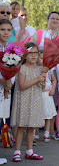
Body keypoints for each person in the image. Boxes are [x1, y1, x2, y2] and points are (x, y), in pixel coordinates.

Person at [11, 42, 46, 162]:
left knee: (31, 126)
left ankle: (29, 151)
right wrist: (37, 79)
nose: (33, 55)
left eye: (36, 53)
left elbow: (42, 87)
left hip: (35, 100)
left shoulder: (39, 69)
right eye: (30, 53)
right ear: (25, 55)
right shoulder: (21, 68)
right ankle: (17, 151)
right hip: (24, 100)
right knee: (21, 126)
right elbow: (22, 85)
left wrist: (42, 81)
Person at [0, 19, 16, 165]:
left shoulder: (10, 49)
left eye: (8, 30)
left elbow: (13, 67)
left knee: (1, 119)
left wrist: (10, 81)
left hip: (5, 89)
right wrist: (3, 81)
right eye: (2, 29)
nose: (5, 32)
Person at [38, 50, 57, 143]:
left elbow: (54, 80)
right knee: (37, 115)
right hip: (38, 95)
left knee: (48, 115)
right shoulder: (36, 69)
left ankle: (46, 133)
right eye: (41, 58)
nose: (43, 60)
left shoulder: (49, 70)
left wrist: (52, 89)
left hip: (47, 94)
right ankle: (35, 134)